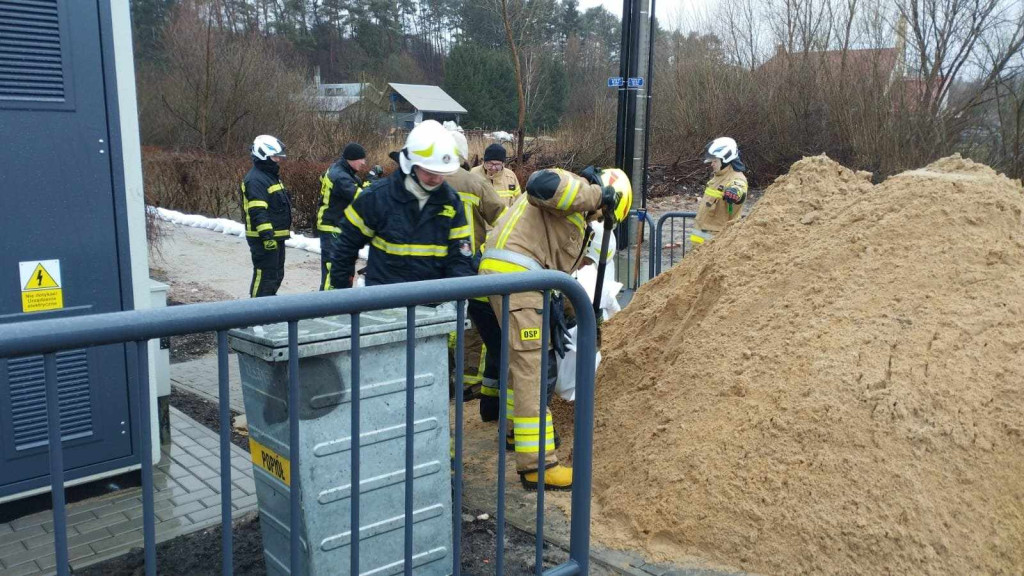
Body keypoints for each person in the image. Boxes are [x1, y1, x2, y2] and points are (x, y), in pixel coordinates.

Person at [477, 165, 632, 490]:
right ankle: (538, 466)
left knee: (521, 361)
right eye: (602, 214)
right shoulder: (573, 186)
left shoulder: (566, 212)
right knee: (534, 367)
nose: (596, 220)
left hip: (512, 275)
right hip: (517, 277)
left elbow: (557, 266)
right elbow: (540, 184)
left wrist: (568, 313)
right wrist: (595, 196)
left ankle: (515, 432)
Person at [331, 120, 475, 288]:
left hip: (432, 307)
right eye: (429, 172)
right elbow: (346, 244)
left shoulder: (451, 203)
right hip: (383, 304)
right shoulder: (377, 197)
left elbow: (460, 259)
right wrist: (342, 291)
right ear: (411, 165)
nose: (436, 179)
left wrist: (456, 298)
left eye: (441, 173)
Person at [444, 131, 507, 398]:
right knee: (470, 324)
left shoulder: (421, 180)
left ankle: (440, 374)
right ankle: (468, 381)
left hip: (430, 266)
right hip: (467, 264)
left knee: (437, 323)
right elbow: (501, 215)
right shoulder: (472, 182)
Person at [240, 135, 291, 298]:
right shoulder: (256, 179)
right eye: (275, 156)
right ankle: (254, 313)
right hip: (264, 238)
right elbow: (258, 211)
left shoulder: (269, 176)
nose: (278, 160)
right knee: (264, 276)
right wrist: (267, 237)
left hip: (275, 236)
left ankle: (267, 310)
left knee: (275, 276)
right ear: (264, 155)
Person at [317, 142, 368, 290]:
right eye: (361, 159)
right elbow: (359, 198)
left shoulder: (338, 171)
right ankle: (326, 308)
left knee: (342, 268)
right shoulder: (340, 177)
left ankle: (337, 305)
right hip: (332, 226)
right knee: (333, 270)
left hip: (335, 224)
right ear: (351, 159)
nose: (363, 162)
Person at [692, 136, 748, 244]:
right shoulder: (718, 176)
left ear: (725, 159)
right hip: (701, 239)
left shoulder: (736, 177)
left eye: (714, 161)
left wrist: (735, 192)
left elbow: (739, 186)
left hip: (716, 241)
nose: (711, 164)